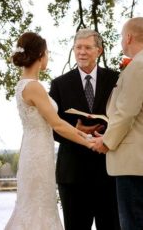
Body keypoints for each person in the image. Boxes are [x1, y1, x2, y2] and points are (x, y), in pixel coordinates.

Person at [5, 32, 98, 230]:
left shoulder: (26, 84)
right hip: (38, 155)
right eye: (47, 52)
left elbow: (51, 123)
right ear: (40, 55)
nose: (48, 56)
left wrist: (79, 131)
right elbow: (56, 124)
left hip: (36, 151)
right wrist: (89, 141)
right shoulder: (34, 87)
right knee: (37, 209)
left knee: (39, 206)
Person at [91, 17, 143, 230]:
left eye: (121, 37)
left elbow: (126, 113)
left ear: (129, 37)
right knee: (142, 223)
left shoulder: (140, 67)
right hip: (142, 158)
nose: (121, 42)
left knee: (135, 225)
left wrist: (106, 143)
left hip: (134, 161)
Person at [49, 29, 121, 230]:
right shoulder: (59, 84)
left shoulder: (117, 79)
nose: (82, 52)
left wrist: (110, 134)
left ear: (99, 51)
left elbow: (127, 117)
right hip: (73, 176)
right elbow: (51, 127)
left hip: (109, 173)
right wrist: (75, 130)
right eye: (78, 47)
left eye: (88, 47)